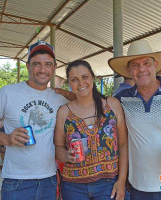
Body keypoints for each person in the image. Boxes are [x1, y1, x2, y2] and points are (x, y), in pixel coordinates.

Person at [108, 39, 161, 200]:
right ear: (129, 70)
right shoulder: (122, 99)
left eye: (146, 63)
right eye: (135, 65)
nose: (141, 70)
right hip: (138, 190)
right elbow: (95, 106)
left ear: (156, 65)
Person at [0, 40, 68, 200]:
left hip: (49, 179)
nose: (43, 69)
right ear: (28, 66)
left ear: (55, 68)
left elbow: (88, 106)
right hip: (16, 181)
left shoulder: (59, 98)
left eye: (48, 64)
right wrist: (6, 138)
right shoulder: (7, 93)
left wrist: (73, 95)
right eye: (37, 64)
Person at [54, 60, 128, 200]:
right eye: (74, 80)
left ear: (92, 78)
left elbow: (123, 144)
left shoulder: (112, 104)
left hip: (108, 183)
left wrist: (121, 181)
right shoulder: (64, 112)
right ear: (69, 83)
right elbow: (58, 146)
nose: (81, 83)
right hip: (73, 186)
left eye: (85, 77)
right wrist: (66, 156)